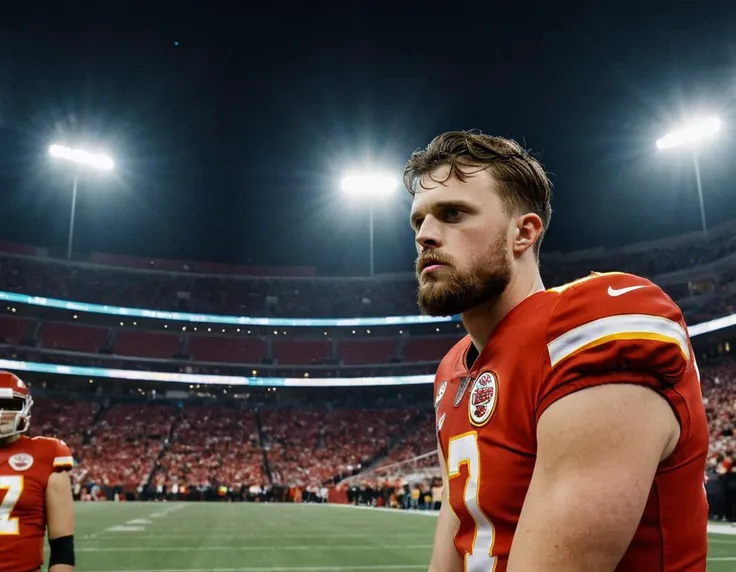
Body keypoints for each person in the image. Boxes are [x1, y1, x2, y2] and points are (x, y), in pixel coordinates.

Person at [405, 130, 708, 571]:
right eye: (418, 221)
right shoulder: (452, 370)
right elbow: (457, 531)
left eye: (453, 213)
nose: (426, 236)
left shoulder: (591, 321)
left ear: (523, 234)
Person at [0, 371, 76, 572]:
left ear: (25, 408)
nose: (1, 412)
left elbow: (63, 548)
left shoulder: (47, 454)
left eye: (10, 405)